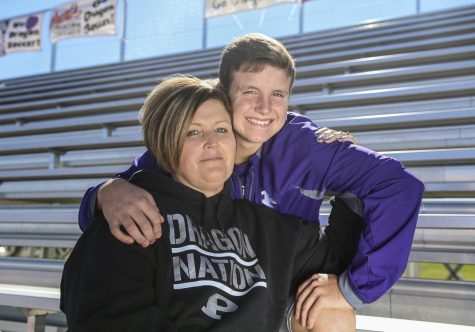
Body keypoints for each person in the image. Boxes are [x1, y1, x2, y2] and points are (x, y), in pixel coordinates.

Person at [78, 33, 424, 328]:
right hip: (202, 287)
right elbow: (107, 211)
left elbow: (398, 186)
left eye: (278, 94)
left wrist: (352, 288)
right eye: (249, 92)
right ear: (223, 91)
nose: (264, 107)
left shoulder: (308, 147)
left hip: (280, 285)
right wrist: (106, 192)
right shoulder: (195, 144)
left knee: (331, 313)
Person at [61, 76, 364, 331]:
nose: (212, 142)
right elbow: (109, 319)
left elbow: (337, 257)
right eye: (193, 132)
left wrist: (347, 177)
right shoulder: (131, 218)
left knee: (333, 310)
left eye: (221, 130)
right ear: (166, 144)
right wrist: (108, 190)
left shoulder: (266, 226)